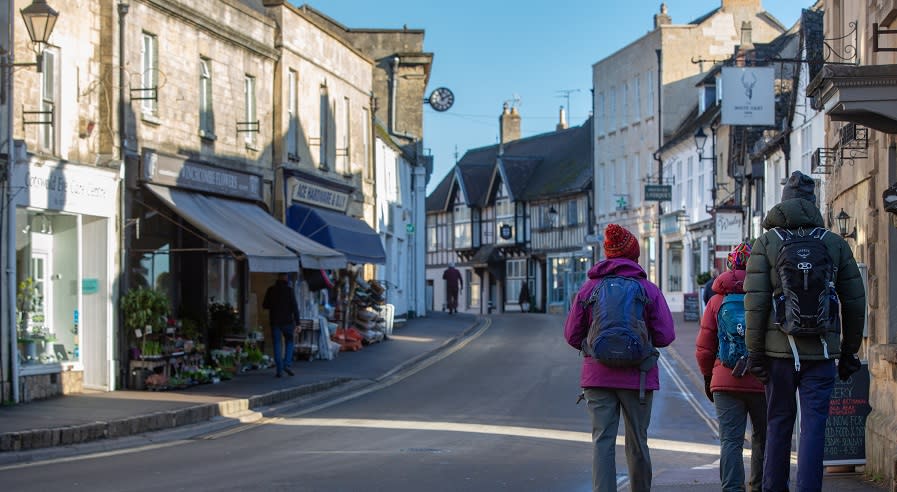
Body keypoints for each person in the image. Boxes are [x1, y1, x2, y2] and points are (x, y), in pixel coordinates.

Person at [744, 171, 866, 491]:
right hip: (822, 352)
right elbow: (854, 300)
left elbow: (755, 303)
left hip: (777, 354)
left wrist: (755, 351)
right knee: (814, 428)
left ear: (783, 202)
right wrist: (850, 350)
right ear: (813, 205)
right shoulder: (834, 243)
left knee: (778, 424)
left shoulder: (767, 243)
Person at [564, 224, 675, 492]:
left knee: (603, 442)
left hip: (597, 377)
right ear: (634, 255)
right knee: (637, 441)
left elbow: (570, 334)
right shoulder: (647, 289)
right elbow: (665, 336)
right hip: (638, 378)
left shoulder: (589, 288)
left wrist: (593, 345)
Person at [696, 242, 766, 492]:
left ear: (729, 265)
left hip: (725, 380)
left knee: (730, 441)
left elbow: (704, 348)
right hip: (761, 379)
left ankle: (732, 489)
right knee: (763, 438)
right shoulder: (764, 297)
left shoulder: (716, 301)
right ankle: (759, 486)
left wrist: (708, 377)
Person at [263, 272, 301, 378]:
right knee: (290, 342)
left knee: (277, 344)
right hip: (288, 321)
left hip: (275, 321)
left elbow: (265, 305)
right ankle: (287, 364)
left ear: (277, 277)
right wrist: (298, 323)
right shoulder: (289, 291)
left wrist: (274, 305)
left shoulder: (271, 290)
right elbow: (295, 307)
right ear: (286, 278)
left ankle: (279, 370)